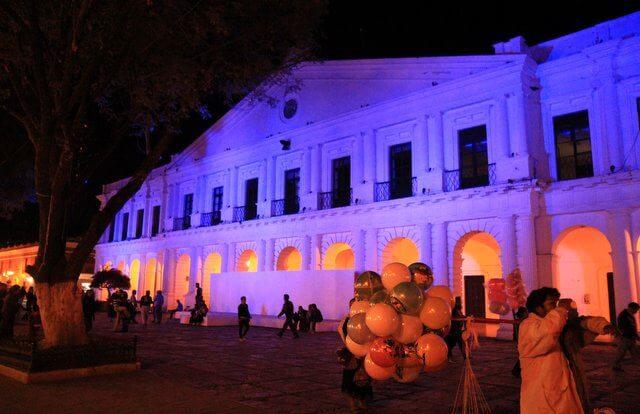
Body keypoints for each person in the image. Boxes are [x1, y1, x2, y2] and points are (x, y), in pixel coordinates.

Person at [518, 287, 582, 414]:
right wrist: (561, 310)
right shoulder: (528, 326)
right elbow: (546, 334)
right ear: (538, 307)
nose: (555, 306)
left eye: (556, 303)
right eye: (551, 303)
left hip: (557, 392)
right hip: (542, 397)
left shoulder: (554, 325)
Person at [560, 299, 616, 413]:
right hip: (559, 368)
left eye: (575, 312)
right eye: (570, 312)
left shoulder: (575, 324)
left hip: (574, 364)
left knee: (579, 393)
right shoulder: (552, 327)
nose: (574, 314)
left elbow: (589, 322)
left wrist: (604, 327)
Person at [337, 306, 372, 413]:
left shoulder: (366, 318)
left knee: (361, 381)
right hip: (354, 356)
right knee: (353, 381)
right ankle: (355, 405)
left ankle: (359, 404)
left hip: (360, 355)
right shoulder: (348, 319)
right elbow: (342, 331)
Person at [612, 302, 640, 372]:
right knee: (621, 353)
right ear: (631, 308)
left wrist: (635, 336)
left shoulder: (630, 315)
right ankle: (615, 365)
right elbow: (624, 328)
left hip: (630, 338)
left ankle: (616, 365)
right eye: (635, 310)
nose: (636, 312)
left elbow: (632, 327)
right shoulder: (623, 315)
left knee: (635, 353)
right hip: (625, 338)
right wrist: (634, 336)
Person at [445, 296, 466, 362]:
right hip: (453, 330)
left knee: (458, 343)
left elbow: (461, 317)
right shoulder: (454, 309)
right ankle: (450, 357)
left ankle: (465, 356)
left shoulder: (458, 310)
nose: (461, 303)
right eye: (460, 301)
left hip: (457, 330)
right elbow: (455, 318)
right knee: (452, 344)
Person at [511, 306, 529, 377]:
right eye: (526, 312)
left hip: (523, 340)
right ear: (523, 313)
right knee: (523, 357)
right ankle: (516, 371)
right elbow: (517, 333)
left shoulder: (524, 321)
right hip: (522, 340)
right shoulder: (520, 322)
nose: (528, 313)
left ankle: (517, 371)